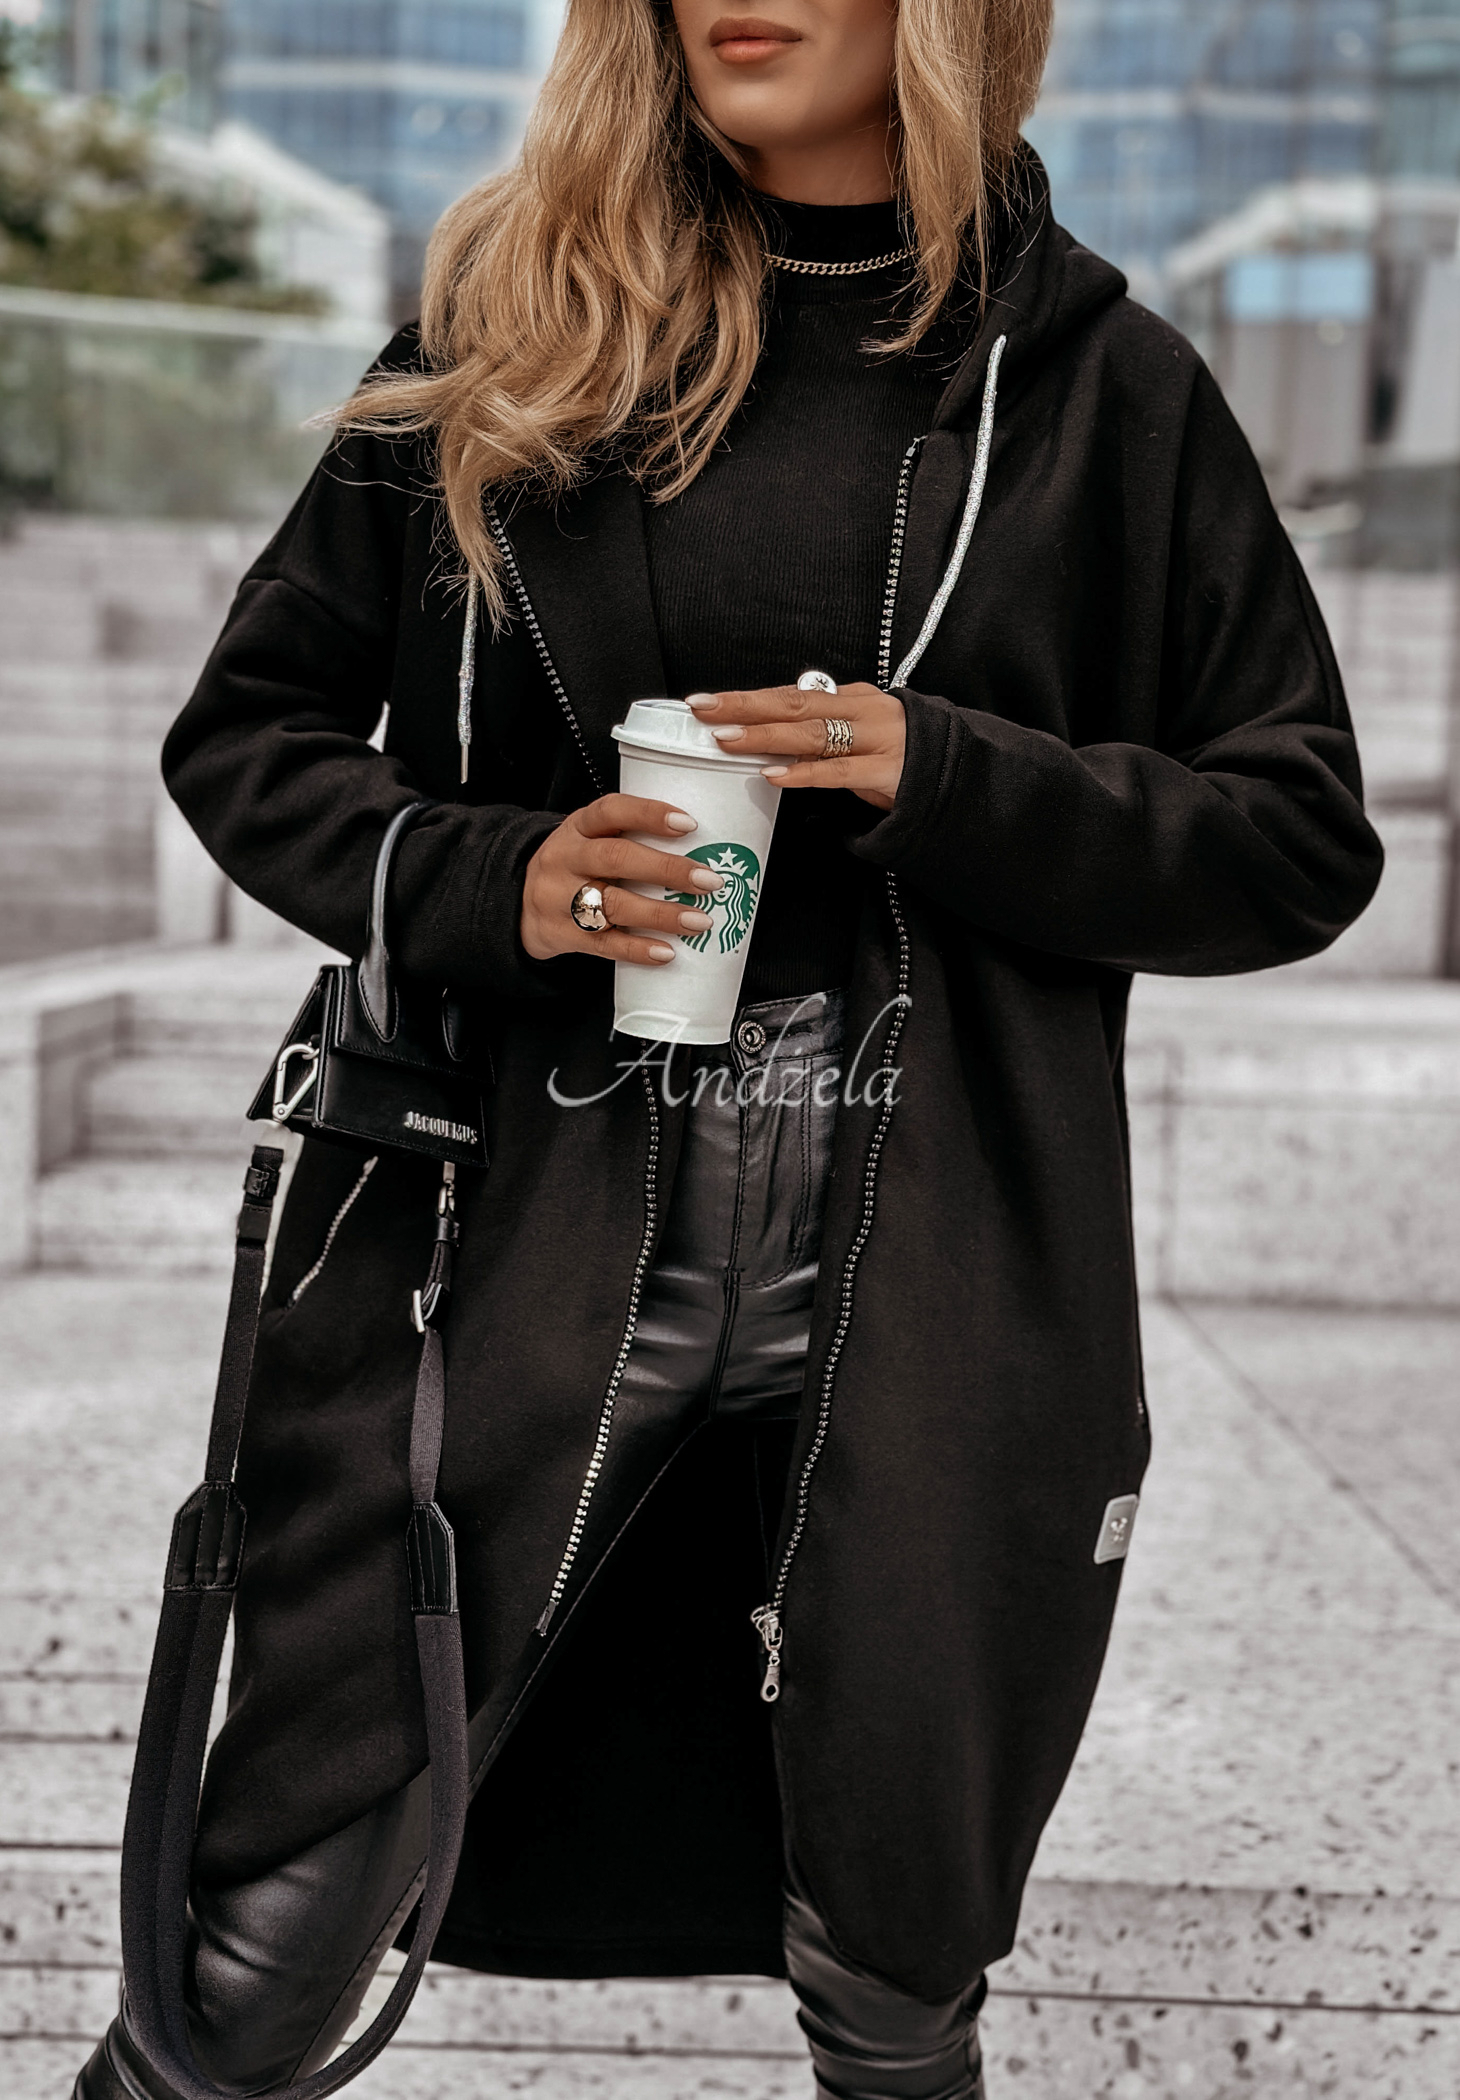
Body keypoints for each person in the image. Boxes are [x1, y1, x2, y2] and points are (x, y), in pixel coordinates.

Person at [76, 0, 1382, 2090]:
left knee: (899, 1957)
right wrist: (496, 880)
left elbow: (1296, 838)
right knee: (264, 1920)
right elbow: (250, 735)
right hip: (496, 1248)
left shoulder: (1101, 390)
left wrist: (942, 771)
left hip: (940, 1274)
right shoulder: (512, 333)